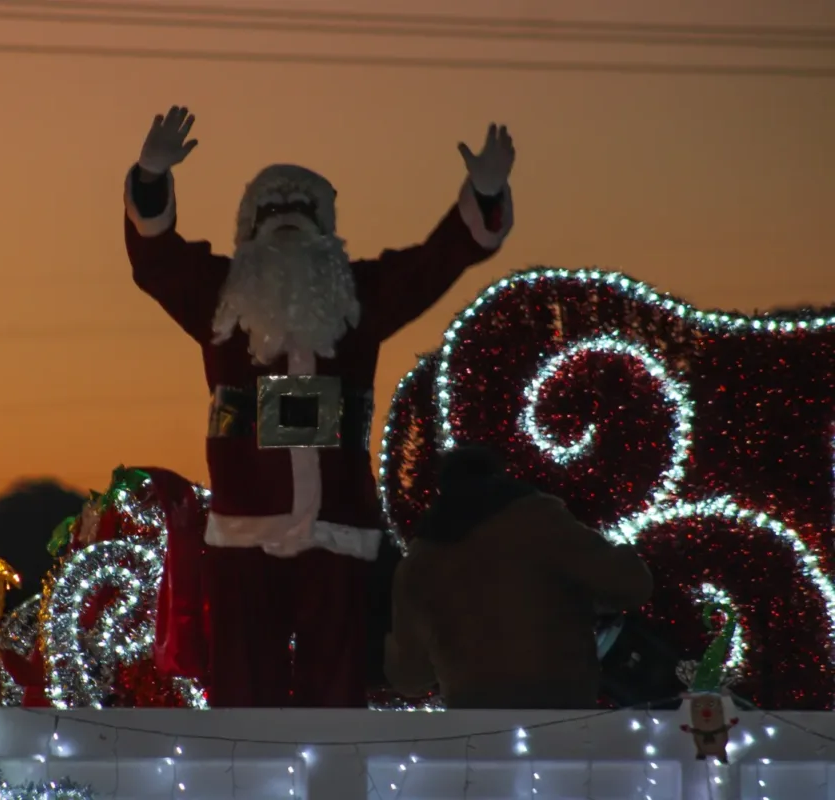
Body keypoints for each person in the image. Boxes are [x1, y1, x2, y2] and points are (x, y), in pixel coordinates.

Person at [124, 106, 515, 707]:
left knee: (333, 687)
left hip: (337, 525)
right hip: (245, 523)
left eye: (303, 216)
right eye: (272, 215)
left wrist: (484, 192)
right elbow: (156, 261)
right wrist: (149, 179)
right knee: (242, 686)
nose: (287, 227)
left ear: (327, 230)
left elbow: (438, 259)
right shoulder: (218, 298)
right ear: (247, 229)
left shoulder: (358, 298)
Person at [385, 445, 655, 708]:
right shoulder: (538, 521)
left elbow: (409, 676)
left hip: (476, 726)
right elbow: (632, 583)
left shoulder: (419, 562)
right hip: (561, 711)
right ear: (499, 477)